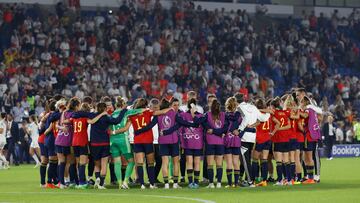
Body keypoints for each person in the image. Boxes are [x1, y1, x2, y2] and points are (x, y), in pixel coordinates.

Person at [108, 96, 143, 189]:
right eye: (125, 104)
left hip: (112, 140)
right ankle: (125, 182)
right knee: (131, 161)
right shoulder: (126, 112)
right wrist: (146, 109)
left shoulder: (111, 115)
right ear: (123, 104)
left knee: (117, 162)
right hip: (123, 139)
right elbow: (138, 111)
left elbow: (109, 129)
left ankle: (119, 184)